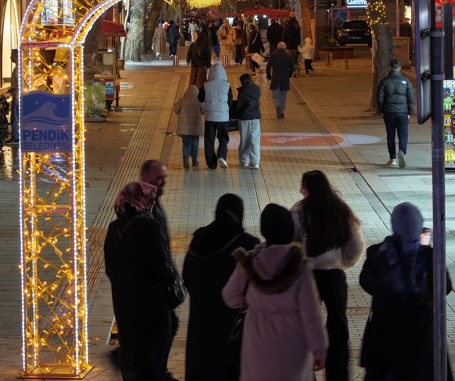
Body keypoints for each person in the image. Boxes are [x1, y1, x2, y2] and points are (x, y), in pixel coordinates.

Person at [222, 204, 328, 381]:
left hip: (257, 341)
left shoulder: (249, 262)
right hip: (293, 344)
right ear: (289, 229)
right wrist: (319, 350)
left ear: (264, 229)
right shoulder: (300, 267)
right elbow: (311, 314)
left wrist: (250, 303)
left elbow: (230, 296)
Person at [359, 202, 454, 381]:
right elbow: (445, 287)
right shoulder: (429, 256)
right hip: (421, 334)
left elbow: (366, 283)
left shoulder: (378, 252)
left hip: (385, 332)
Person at [291, 170, 364, 381]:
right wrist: (342, 262)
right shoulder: (341, 211)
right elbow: (356, 245)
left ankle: (306, 372)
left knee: (304, 321)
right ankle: (338, 375)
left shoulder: (298, 212)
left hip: (306, 275)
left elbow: (290, 245)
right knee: (338, 327)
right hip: (333, 275)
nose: (300, 190)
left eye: (303, 186)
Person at [104, 180, 180, 381]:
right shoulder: (149, 226)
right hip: (150, 307)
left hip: (124, 306)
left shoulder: (113, 229)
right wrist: (171, 276)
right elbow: (162, 268)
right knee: (151, 361)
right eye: (151, 200)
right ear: (142, 201)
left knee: (134, 358)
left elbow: (109, 269)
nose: (153, 204)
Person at [183, 194, 260, 381]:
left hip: (200, 321)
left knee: (201, 366)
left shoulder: (199, 239)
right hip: (231, 326)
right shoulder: (247, 245)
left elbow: (187, 277)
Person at [138, 159, 180, 381]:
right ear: (145, 178)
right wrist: (167, 273)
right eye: (158, 178)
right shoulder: (141, 206)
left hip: (156, 280)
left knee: (167, 325)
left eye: (164, 177)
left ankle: (155, 370)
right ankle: (153, 372)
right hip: (150, 283)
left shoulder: (153, 201)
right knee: (165, 326)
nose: (163, 182)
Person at [375, 59, 413, 168]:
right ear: (399, 68)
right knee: (403, 135)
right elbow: (410, 98)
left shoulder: (384, 82)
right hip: (402, 113)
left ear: (390, 68)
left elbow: (379, 98)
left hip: (389, 113)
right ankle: (402, 151)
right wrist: (409, 111)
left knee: (390, 135)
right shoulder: (406, 81)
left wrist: (382, 110)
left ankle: (393, 159)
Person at [200, 63, 233, 169]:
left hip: (210, 116)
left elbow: (199, 98)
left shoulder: (206, 85)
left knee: (209, 139)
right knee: (223, 136)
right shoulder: (227, 85)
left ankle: (211, 164)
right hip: (223, 117)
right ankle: (221, 156)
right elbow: (230, 101)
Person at [234, 73, 261, 169]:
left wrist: (235, 114)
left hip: (244, 119)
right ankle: (255, 162)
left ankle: (244, 161)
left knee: (245, 140)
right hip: (255, 119)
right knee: (255, 140)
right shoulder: (257, 90)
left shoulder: (243, 92)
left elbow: (238, 106)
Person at [174, 85, 203, 169]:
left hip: (185, 129)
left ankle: (185, 159)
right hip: (196, 127)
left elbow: (176, 111)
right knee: (195, 144)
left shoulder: (182, 100)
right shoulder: (199, 100)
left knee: (186, 144)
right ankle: (194, 160)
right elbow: (203, 111)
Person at [266, 41, 295, 119]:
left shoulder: (273, 55)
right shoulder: (288, 55)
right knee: (283, 96)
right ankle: (281, 111)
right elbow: (292, 68)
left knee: (275, 96)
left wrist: (268, 75)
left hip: (275, 78)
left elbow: (268, 66)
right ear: (285, 47)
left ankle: (277, 106)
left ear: (277, 47)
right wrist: (288, 75)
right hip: (285, 79)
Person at [7, 49, 19, 145]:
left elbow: (20, 85)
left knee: (15, 117)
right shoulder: (17, 68)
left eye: (12, 55)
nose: (10, 57)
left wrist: (17, 97)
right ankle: (15, 136)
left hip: (17, 97)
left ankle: (15, 137)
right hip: (16, 96)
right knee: (15, 117)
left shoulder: (18, 70)